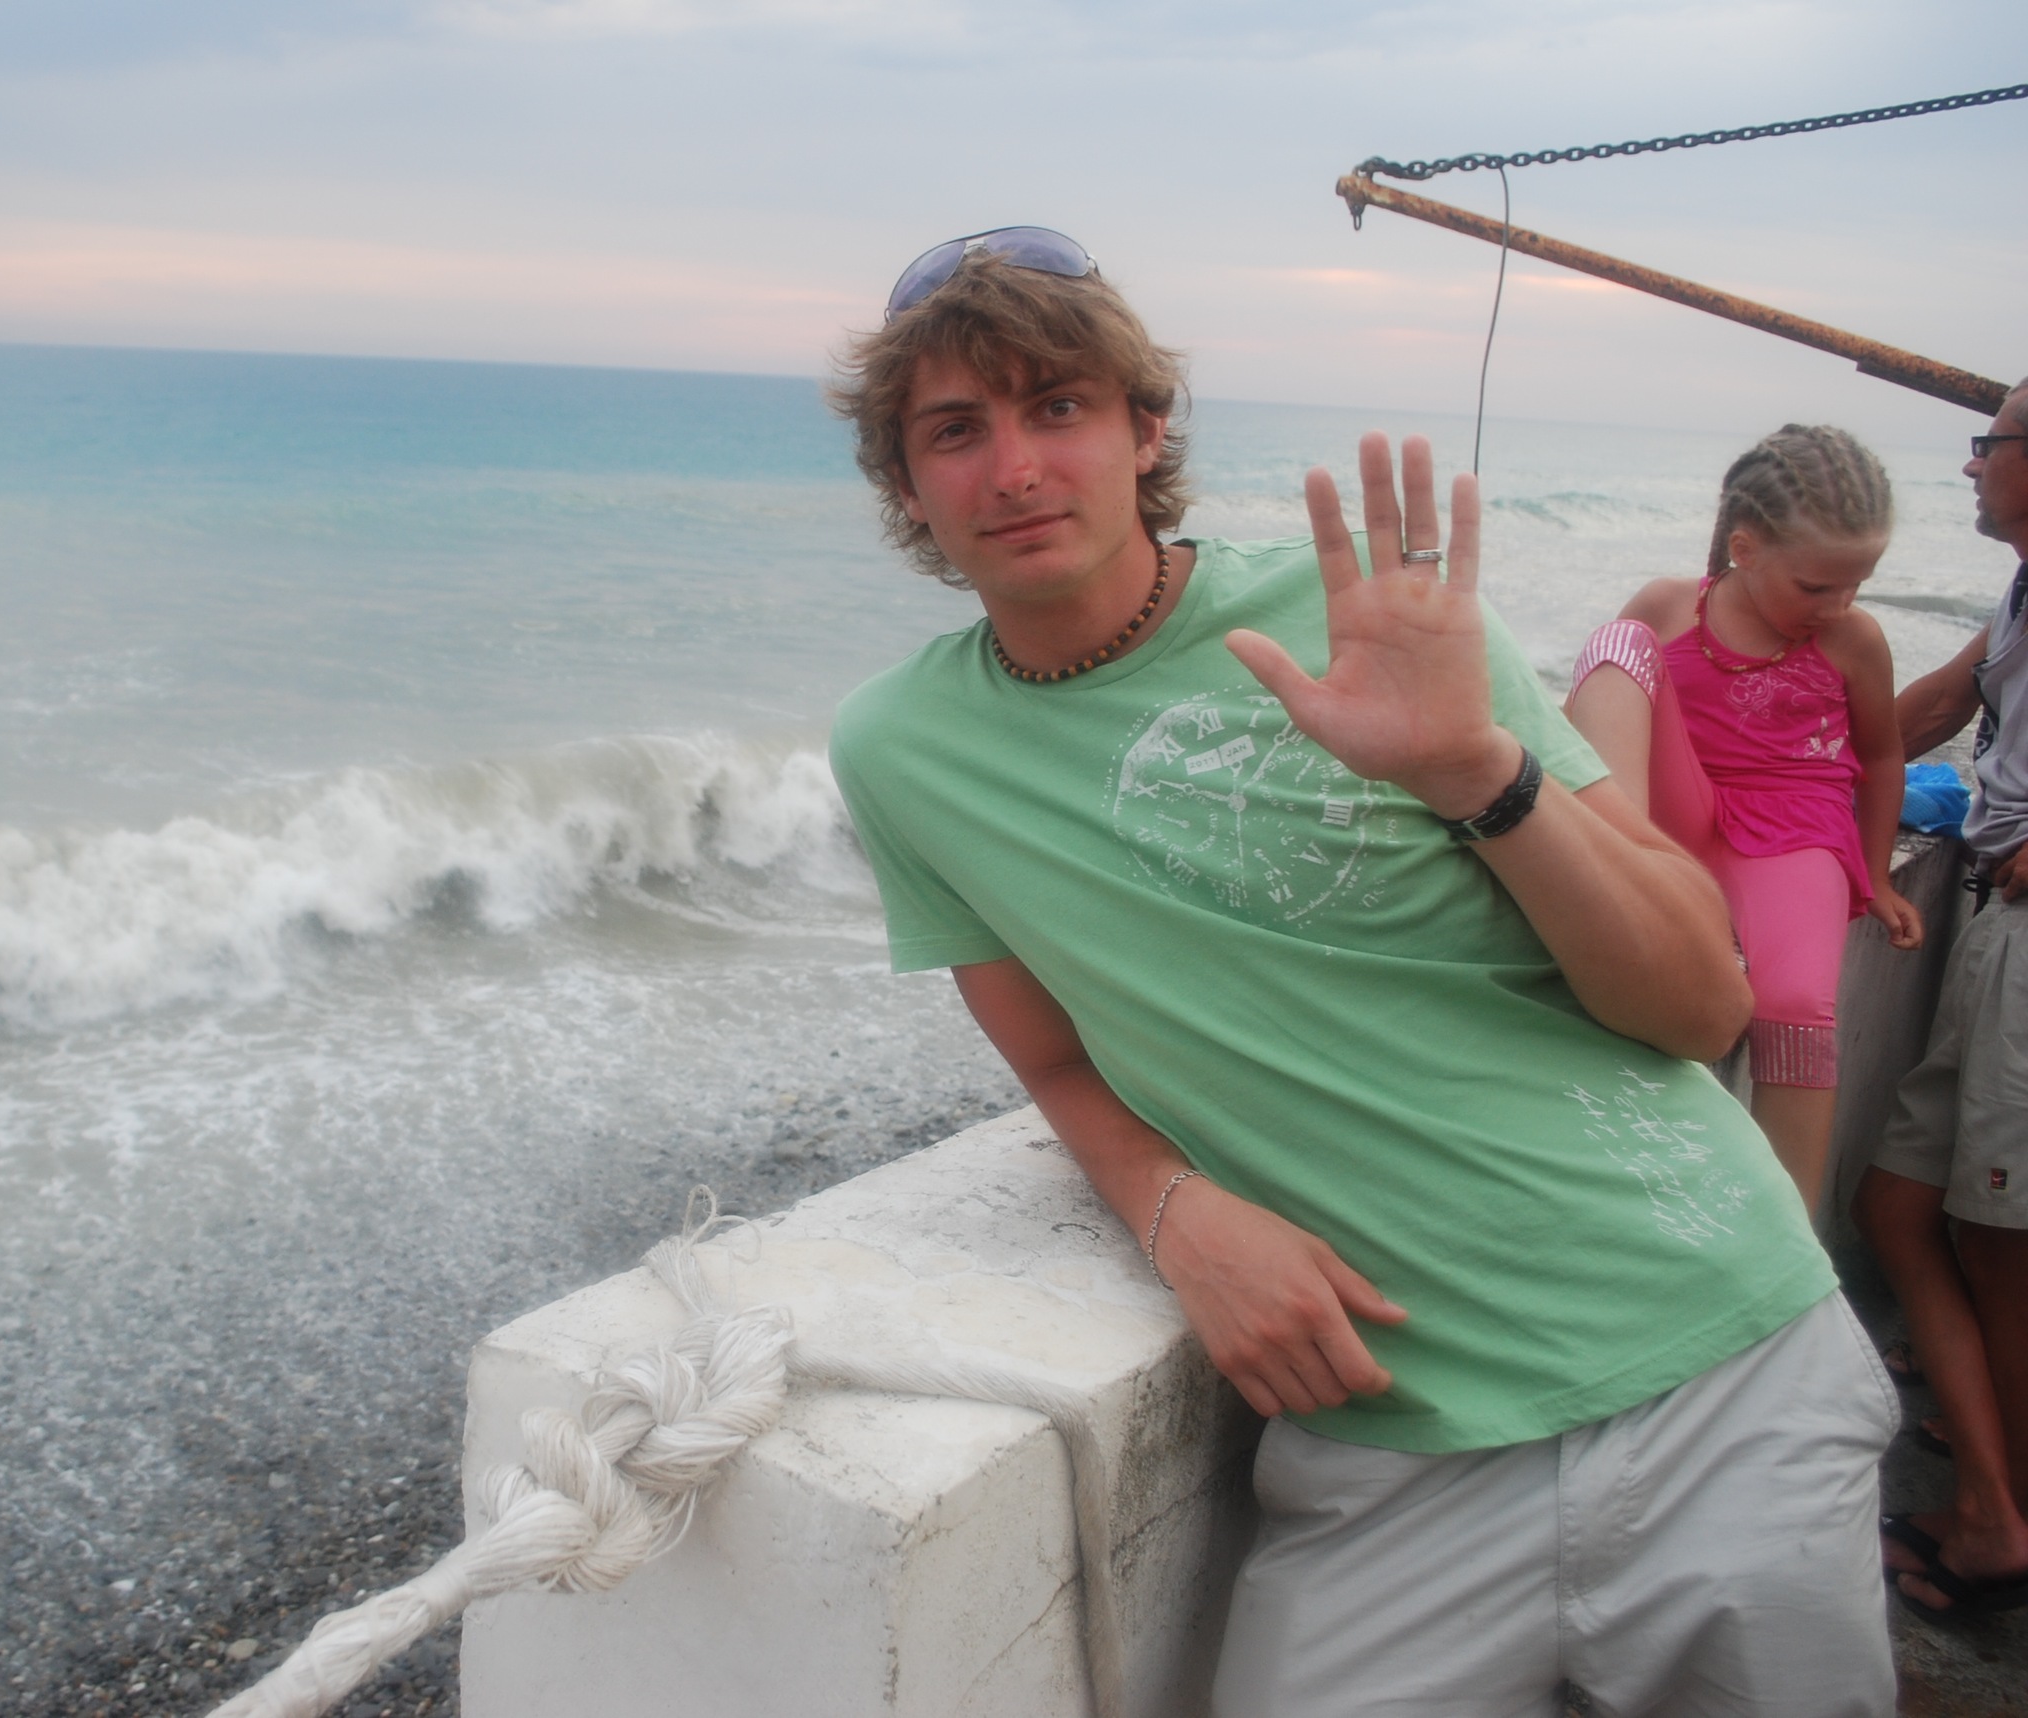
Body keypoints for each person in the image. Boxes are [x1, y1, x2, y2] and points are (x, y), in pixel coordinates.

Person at [826, 231, 1896, 1716]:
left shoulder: (1371, 622)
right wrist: (1180, 1212)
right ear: (904, 481)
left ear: (1146, 429)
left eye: (1057, 406)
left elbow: (1701, 1004)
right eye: (955, 430)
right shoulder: (903, 751)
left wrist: (1475, 769)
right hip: (1389, 1436)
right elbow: (1055, 1056)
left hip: (1714, 1350)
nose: (1012, 468)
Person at [1563, 427, 1923, 1214]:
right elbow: (1596, 715)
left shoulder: (1853, 640)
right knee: (1620, 643)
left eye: (1855, 585)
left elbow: (1883, 754)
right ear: (1745, 549)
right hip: (1680, 812)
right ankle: (1600, 867)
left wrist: (1877, 875)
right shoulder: (1670, 606)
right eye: (1816, 587)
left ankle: (1789, 1227)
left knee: (1793, 1001)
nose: (1838, 606)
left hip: (1797, 827)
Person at [1856, 378, 2028, 1623]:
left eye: (1990, 441)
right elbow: (1924, 711)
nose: (1971, 463)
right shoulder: (2019, 593)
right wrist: (1789, 759)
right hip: (1988, 923)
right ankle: (1993, 1482)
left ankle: (1995, 1521)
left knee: (2000, 1242)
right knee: (1899, 1201)